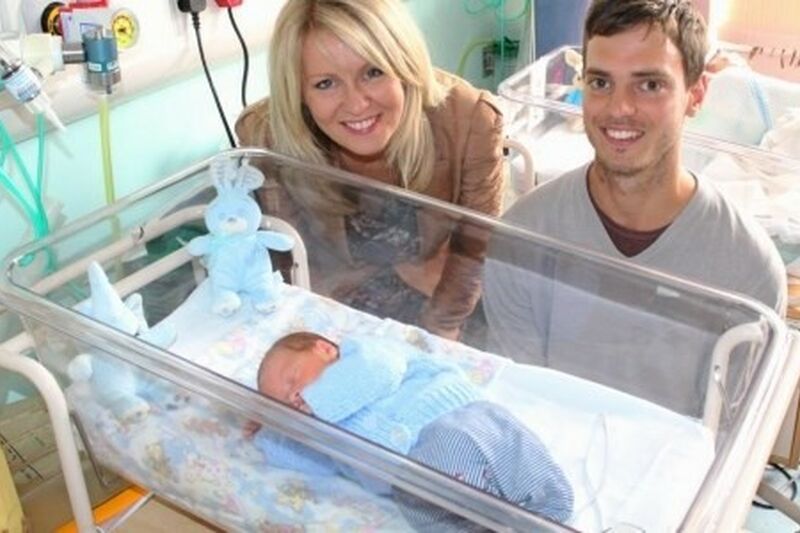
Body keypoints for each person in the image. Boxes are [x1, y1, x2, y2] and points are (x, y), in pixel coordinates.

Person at [483, 0, 787, 415]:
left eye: (649, 85)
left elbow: (726, 442)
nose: (619, 109)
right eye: (601, 83)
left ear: (695, 95)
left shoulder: (747, 271)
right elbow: (516, 412)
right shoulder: (522, 238)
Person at [235, 0, 505, 340]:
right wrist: (327, 336)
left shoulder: (469, 119)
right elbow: (292, 261)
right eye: (325, 84)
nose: (357, 103)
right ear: (299, 92)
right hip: (336, 298)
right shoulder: (267, 136)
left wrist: (442, 328)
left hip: (448, 290)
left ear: (404, 66)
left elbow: (476, 247)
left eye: (373, 72)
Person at [246, 331, 574, 530]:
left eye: (292, 378)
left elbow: (382, 371)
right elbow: (310, 461)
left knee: (503, 452)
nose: (293, 395)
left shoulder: (362, 354)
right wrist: (274, 428)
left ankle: (548, 507)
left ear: (323, 348)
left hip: (452, 418)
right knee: (422, 511)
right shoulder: (320, 430)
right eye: (282, 401)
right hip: (412, 479)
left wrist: (315, 402)